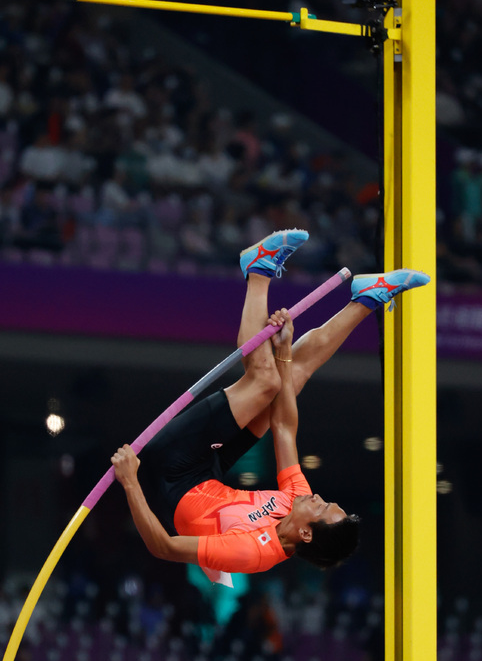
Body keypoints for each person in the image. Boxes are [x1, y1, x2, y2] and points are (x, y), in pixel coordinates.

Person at [111, 229, 429, 584]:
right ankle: (367, 299)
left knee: (265, 383)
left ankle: (258, 271)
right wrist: (284, 350)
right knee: (290, 380)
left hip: (171, 469)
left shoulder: (252, 552)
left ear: (306, 533)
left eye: (321, 507)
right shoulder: (297, 499)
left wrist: (130, 483)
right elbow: (283, 427)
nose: (318, 497)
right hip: (209, 467)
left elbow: (165, 547)